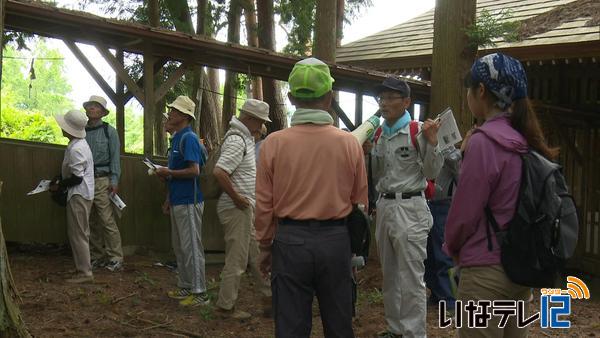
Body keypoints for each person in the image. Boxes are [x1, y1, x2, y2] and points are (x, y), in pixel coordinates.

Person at [444, 53, 559, 338]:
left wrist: (451, 248)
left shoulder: (484, 142)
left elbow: (464, 214)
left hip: (484, 275)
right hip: (520, 272)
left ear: (480, 91)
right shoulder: (526, 142)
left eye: (469, 88)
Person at [255, 57, 368, 337]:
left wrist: (266, 246)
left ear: (291, 97)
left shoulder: (273, 144)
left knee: (291, 327)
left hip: (290, 243)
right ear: (329, 97)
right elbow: (359, 198)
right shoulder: (348, 144)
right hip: (335, 242)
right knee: (340, 325)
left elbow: (264, 204)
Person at [368, 76, 443, 338]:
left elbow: (433, 172)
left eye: (391, 98)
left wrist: (433, 143)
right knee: (389, 273)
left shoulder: (418, 130)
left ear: (406, 101)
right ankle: (395, 328)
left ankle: (414, 333)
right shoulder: (378, 133)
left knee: (411, 275)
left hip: (410, 208)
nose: (384, 103)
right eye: (382, 98)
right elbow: (378, 175)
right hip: (385, 206)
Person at [213, 99, 272, 319]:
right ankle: (225, 307)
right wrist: (237, 198)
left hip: (244, 208)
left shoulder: (244, 138)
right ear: (249, 119)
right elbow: (220, 172)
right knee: (237, 260)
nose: (261, 126)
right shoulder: (237, 140)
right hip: (237, 208)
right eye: (259, 122)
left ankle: (270, 298)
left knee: (256, 255)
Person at [155, 95, 209, 307]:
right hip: (178, 199)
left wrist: (168, 172)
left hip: (190, 199)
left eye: (175, 111)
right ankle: (186, 286)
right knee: (180, 247)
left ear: (185, 116)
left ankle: (200, 293)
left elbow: (194, 170)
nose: (170, 113)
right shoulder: (177, 138)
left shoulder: (189, 138)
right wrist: (168, 197)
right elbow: (175, 173)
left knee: (192, 247)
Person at [51, 109, 95, 283]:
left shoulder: (77, 149)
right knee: (79, 232)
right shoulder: (79, 144)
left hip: (79, 194)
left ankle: (85, 273)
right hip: (83, 193)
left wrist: (59, 186)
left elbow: (77, 178)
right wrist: (60, 178)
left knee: (78, 234)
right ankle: (81, 269)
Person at [83, 95, 124, 272]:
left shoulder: (110, 131)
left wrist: (114, 180)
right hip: (85, 180)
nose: (92, 108)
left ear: (102, 112)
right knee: (90, 219)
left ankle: (116, 257)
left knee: (107, 219)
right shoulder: (81, 131)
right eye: (90, 106)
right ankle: (97, 256)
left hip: (102, 180)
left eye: (96, 106)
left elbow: (115, 158)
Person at [424, 146, 461, 313]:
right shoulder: (426, 148)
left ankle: (450, 299)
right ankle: (436, 293)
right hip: (426, 203)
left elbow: (461, 176)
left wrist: (449, 152)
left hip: (444, 204)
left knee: (444, 254)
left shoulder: (453, 153)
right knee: (428, 254)